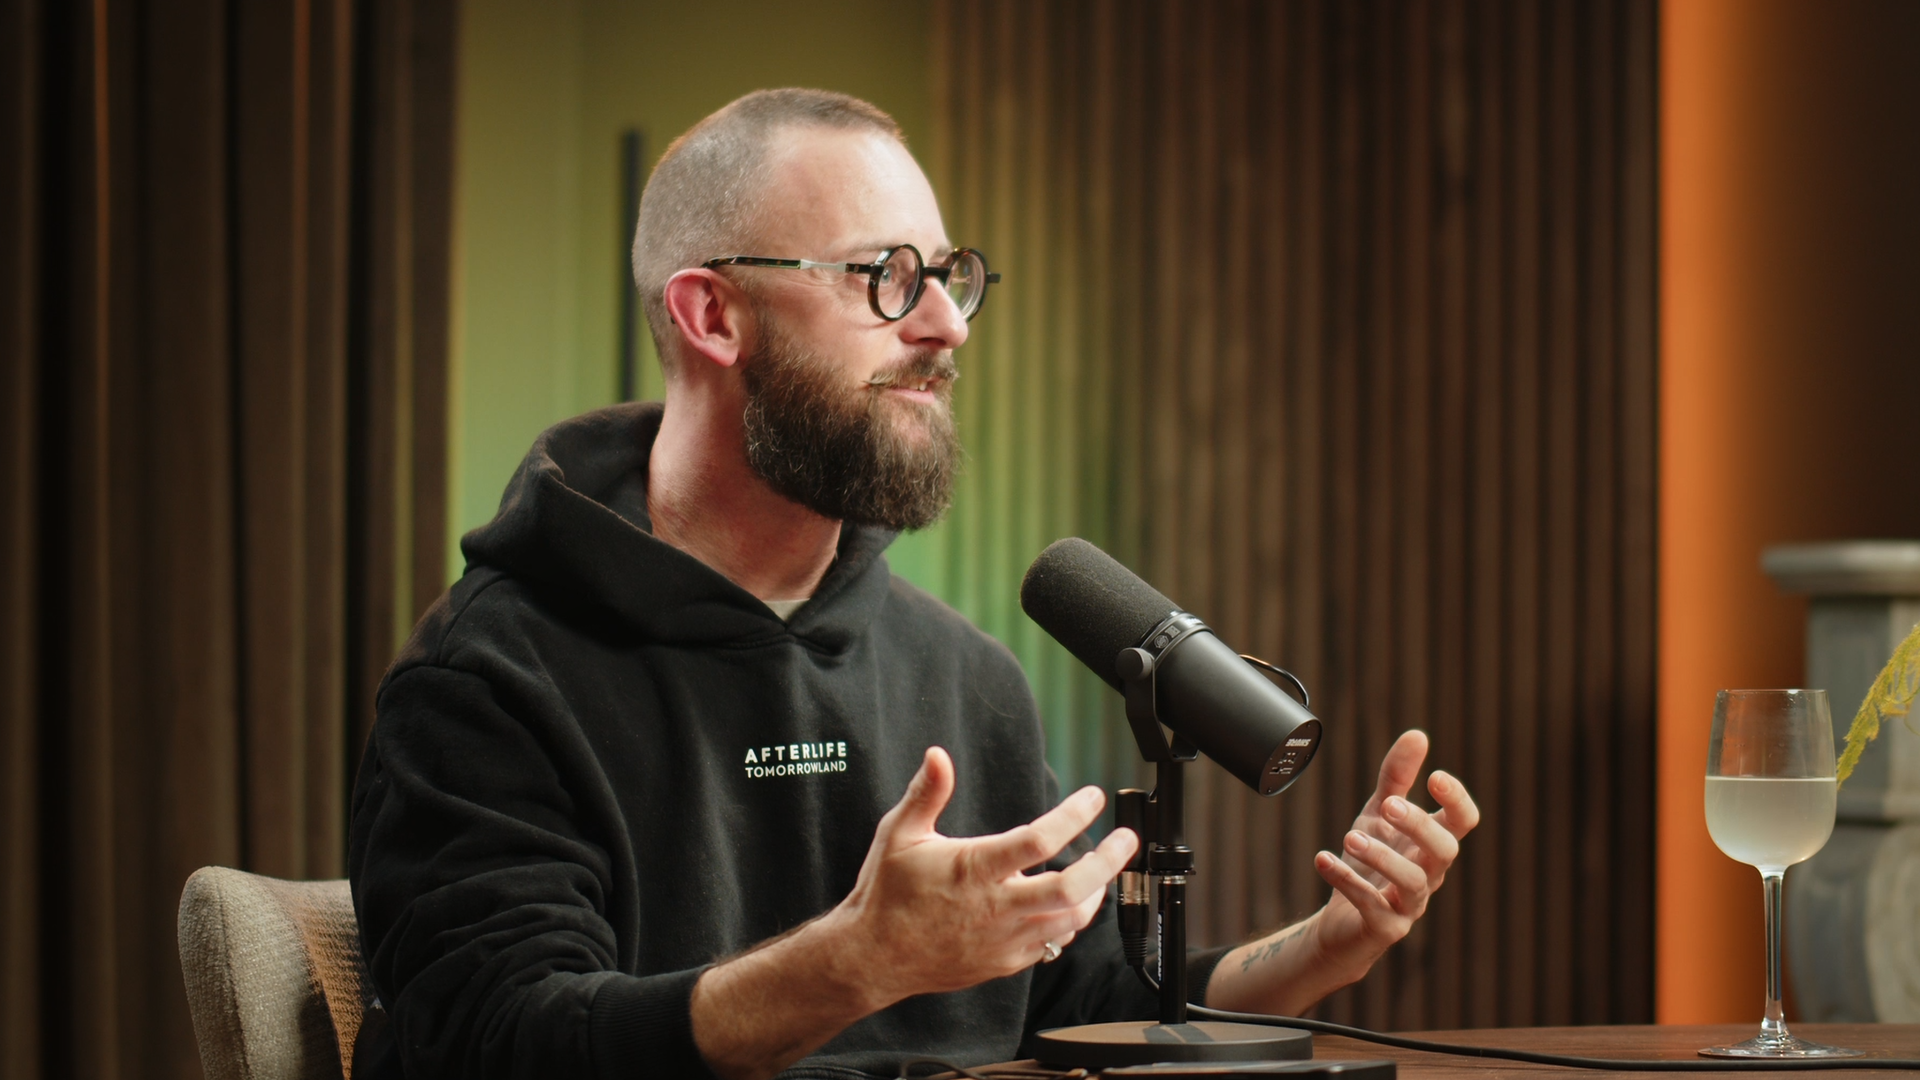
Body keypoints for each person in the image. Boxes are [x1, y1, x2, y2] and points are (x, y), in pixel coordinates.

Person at [348, 88, 1480, 1080]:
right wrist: (855, 964)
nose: (945, 325)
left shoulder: (966, 675)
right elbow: (499, 1041)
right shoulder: (488, 678)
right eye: (885, 277)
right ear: (712, 315)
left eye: (949, 277)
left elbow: (1087, 1006)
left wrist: (1326, 945)